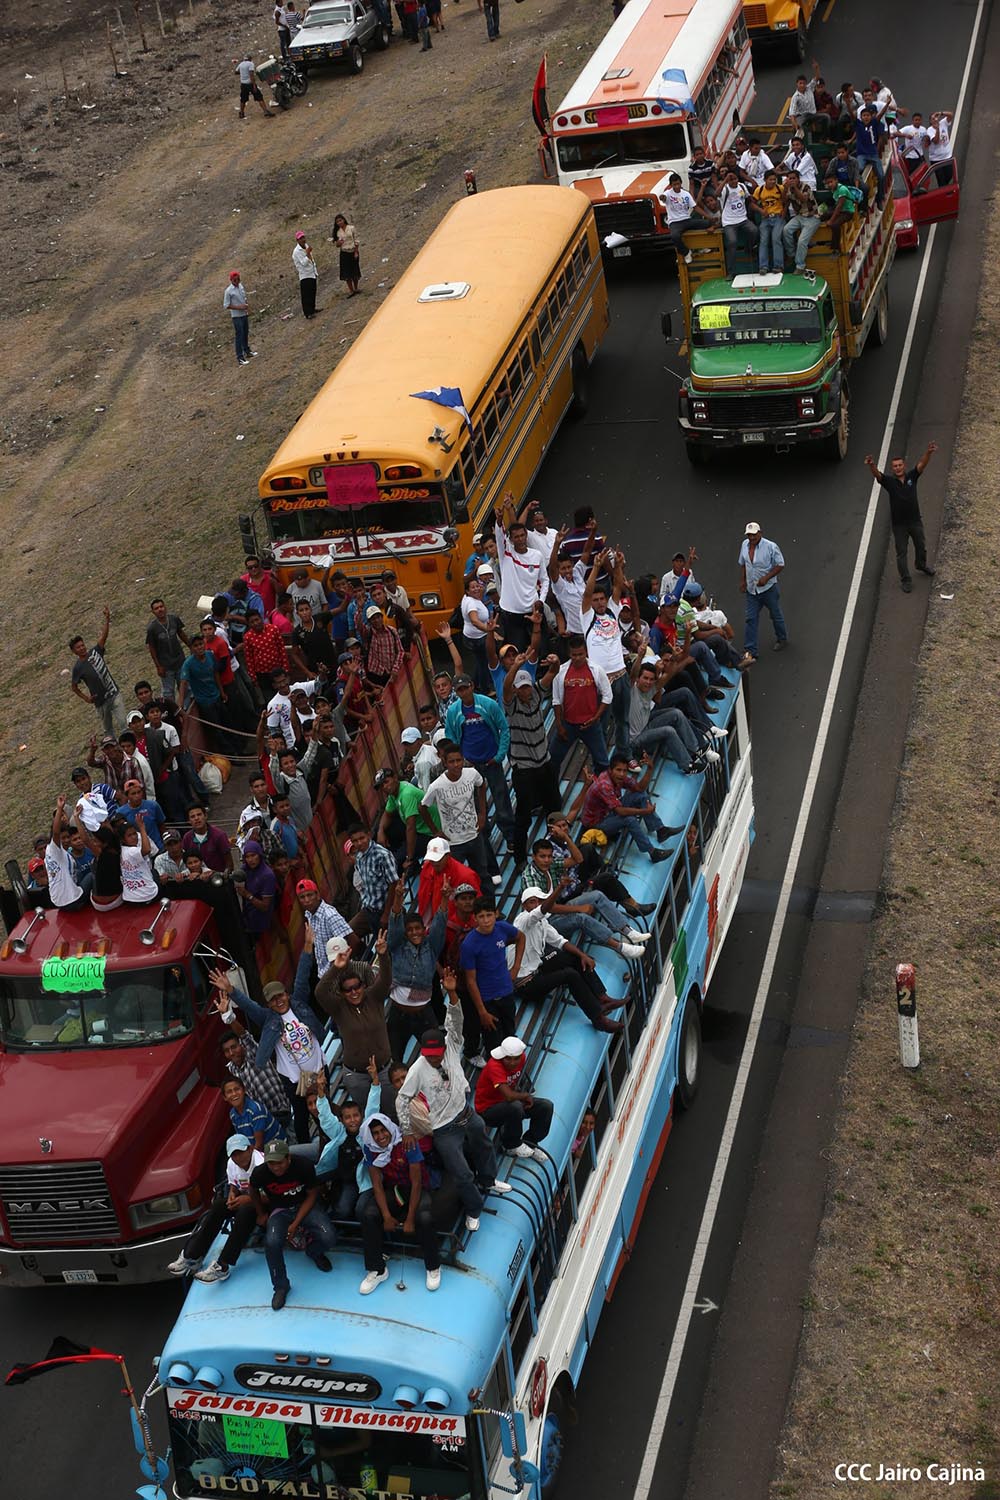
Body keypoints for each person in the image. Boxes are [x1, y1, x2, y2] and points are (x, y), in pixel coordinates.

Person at [396, 968, 512, 1232]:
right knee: (461, 1173)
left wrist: (451, 993)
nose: (434, 1058)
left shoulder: (452, 1045)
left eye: (437, 1054)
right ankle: (474, 1209)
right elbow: (402, 1100)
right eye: (429, 1055)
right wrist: (407, 1130)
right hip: (443, 1129)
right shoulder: (416, 1070)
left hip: (465, 1113)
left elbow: (455, 1021)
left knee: (484, 1145)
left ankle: (489, 1180)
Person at [211, 937, 326, 1146]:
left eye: (280, 996)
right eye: (273, 999)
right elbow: (249, 1006)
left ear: (287, 995)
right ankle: (308, 1153)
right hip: (294, 1081)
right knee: (301, 1118)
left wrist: (307, 947)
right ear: (269, 1004)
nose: (278, 1001)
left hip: (319, 1071)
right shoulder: (268, 1019)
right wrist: (230, 990)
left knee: (324, 1112)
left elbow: (301, 978)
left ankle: (331, 1143)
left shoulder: (299, 1004)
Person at [511, 890, 627, 1032]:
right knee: (570, 975)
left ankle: (602, 997)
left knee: (574, 956)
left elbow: (560, 941)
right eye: (532, 902)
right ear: (524, 906)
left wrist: (583, 955)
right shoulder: (523, 920)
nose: (537, 905)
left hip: (537, 968)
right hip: (527, 983)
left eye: (540, 901)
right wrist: (560, 887)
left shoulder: (542, 923)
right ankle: (598, 1019)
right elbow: (540, 911)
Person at [357, 1113, 442, 1294]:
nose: (380, 1136)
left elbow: (417, 1183)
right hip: (395, 1189)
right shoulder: (369, 1148)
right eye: (375, 1133)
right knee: (369, 1214)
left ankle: (433, 1266)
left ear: (389, 1129)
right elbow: (377, 1184)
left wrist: (410, 1219)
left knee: (424, 1218)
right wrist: (386, 1216)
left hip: (416, 1188)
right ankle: (377, 1269)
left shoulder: (407, 1143)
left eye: (383, 1131)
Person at [249, 1138, 336, 1310]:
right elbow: (252, 1189)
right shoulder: (260, 1172)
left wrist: (295, 1223)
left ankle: (313, 1251)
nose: (276, 1167)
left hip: (305, 1205)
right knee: (272, 1242)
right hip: (280, 1209)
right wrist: (260, 1213)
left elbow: (312, 1194)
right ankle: (280, 1286)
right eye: (271, 1163)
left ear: (288, 1158)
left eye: (279, 1162)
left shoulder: (303, 1165)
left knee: (329, 1236)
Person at [168, 1133, 264, 1282]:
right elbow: (233, 1184)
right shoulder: (232, 1163)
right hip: (245, 1198)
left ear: (250, 1149)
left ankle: (223, 1265)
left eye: (241, 1152)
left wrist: (247, 1199)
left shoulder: (262, 1164)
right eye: (234, 1154)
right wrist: (232, 1195)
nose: (238, 1158)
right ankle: (193, 1256)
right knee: (219, 1206)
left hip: (264, 1202)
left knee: (245, 1212)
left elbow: (272, 1194)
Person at [314, 933, 393, 1099]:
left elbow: (385, 979)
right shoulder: (339, 1007)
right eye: (348, 990)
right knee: (365, 1112)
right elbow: (320, 993)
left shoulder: (373, 995)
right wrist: (336, 968)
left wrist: (383, 955)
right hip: (357, 1076)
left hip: (384, 1071)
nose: (354, 992)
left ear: (364, 985)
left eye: (357, 987)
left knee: (392, 1109)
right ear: (341, 992)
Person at [443, 674, 515, 849]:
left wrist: (499, 756)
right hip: (470, 766)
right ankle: (484, 834)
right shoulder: (453, 711)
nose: (463, 692)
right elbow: (450, 737)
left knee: (501, 799)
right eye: (459, 690)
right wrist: (461, 761)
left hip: (492, 761)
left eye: (465, 688)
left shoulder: (488, 704)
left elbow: (504, 729)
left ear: (472, 686)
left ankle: (510, 836)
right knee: (474, 802)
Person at [503, 658, 562, 865]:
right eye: (521, 688)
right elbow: (506, 689)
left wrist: (554, 662)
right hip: (525, 768)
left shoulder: (537, 693)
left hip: (544, 762)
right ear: (516, 689)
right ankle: (520, 858)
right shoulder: (511, 706)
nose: (525, 691)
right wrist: (515, 667)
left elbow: (552, 673)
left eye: (527, 686)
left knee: (555, 808)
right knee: (523, 816)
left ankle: (557, 849)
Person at [387, 876, 448, 1063]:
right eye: (410, 929)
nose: (415, 932)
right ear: (405, 933)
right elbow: (394, 922)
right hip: (398, 1015)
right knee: (395, 1058)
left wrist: (444, 897)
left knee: (437, 1057)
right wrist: (398, 897)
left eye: (418, 928)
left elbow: (440, 923)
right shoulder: (397, 946)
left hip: (424, 1015)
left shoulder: (432, 946)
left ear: (424, 929)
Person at [864, 443, 938, 592]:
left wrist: (929, 452)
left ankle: (921, 565)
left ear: (904, 466)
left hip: (915, 521)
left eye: (900, 465)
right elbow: (878, 475)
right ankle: (906, 580)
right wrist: (871, 465)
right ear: (892, 468)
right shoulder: (889, 482)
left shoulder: (912, 476)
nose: (898, 468)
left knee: (921, 546)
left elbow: (922, 464)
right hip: (899, 526)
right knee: (901, 553)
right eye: (895, 466)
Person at [580, 548, 633, 756]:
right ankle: (600, 761)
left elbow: (618, 586)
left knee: (623, 720)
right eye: (596, 600)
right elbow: (587, 593)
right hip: (602, 679)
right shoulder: (586, 616)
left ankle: (625, 755)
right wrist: (595, 567)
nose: (600, 602)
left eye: (602, 599)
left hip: (621, 674)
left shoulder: (612, 609)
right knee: (601, 724)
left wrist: (618, 565)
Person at [580, 753, 675, 863]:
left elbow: (639, 788)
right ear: (610, 770)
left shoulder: (618, 777)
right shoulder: (604, 785)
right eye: (618, 770)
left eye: (624, 771)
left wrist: (650, 769)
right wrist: (644, 811)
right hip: (597, 823)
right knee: (630, 819)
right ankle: (652, 852)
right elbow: (620, 811)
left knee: (641, 795)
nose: (622, 774)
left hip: (609, 812)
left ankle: (660, 830)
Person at [422, 744, 494, 886]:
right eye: (451, 761)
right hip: (453, 843)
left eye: (459, 760)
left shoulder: (472, 773)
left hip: (474, 836)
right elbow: (422, 807)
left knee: (483, 875)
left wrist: (482, 814)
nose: (456, 765)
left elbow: (481, 785)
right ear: (445, 763)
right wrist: (435, 831)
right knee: (454, 879)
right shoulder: (437, 785)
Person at [474, 1035, 554, 1158]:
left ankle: (531, 1142)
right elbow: (509, 1096)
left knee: (546, 1106)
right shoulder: (494, 1066)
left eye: (516, 1059)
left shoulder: (522, 1058)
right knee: (515, 1106)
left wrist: (522, 1097)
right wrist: (525, 1096)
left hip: (506, 1104)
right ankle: (511, 1145)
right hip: (488, 1110)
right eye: (508, 1059)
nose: (512, 1063)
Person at [461, 896, 523, 1038]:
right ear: (475, 918)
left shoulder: (502, 928)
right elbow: (470, 981)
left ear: (496, 914)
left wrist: (516, 967)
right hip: (488, 1000)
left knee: (511, 1036)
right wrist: (482, 1011)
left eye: (489, 915)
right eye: (481, 916)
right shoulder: (469, 944)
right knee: (493, 1043)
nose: (486, 920)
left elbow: (521, 937)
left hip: (507, 993)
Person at [550, 634, 613, 772]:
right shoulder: (561, 671)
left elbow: (608, 696)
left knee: (602, 762)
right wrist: (559, 725)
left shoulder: (597, 670)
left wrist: (596, 717)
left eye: (580, 654)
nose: (577, 658)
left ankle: (600, 784)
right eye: (574, 655)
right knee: (552, 760)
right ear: (569, 654)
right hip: (568, 724)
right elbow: (556, 700)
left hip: (590, 725)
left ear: (586, 652)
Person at [494, 491, 544, 649]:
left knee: (538, 650)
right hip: (511, 615)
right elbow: (500, 535)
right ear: (511, 539)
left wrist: (541, 600)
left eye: (523, 535)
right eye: (516, 537)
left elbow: (545, 580)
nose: (520, 539)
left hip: (533, 612)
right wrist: (500, 519)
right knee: (517, 652)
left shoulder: (537, 555)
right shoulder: (506, 553)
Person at [221, 1029, 292, 1134]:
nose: (231, 1053)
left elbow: (245, 1036)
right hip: (264, 1119)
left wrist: (229, 1019)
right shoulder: (232, 1069)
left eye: (234, 1047)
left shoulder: (254, 1054)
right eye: (227, 1051)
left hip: (281, 1112)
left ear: (241, 1045)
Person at [69, 607, 126, 737]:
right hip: (100, 702)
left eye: (82, 645)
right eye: (78, 647)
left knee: (124, 723)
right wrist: (87, 698)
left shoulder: (95, 652)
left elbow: (103, 637)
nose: (82, 648)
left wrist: (107, 619)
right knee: (108, 730)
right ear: (74, 651)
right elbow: (74, 687)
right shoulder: (78, 668)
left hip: (113, 693)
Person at [738, 522, 788, 661]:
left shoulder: (771, 547)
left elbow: (780, 564)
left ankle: (782, 638)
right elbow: (743, 564)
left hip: (768, 589)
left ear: (760, 533)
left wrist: (766, 577)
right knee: (751, 619)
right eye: (749, 535)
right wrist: (743, 581)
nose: (751, 538)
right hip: (752, 590)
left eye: (754, 535)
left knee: (775, 614)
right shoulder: (744, 545)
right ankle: (751, 649)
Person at [295, 879, 353, 976]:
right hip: (325, 973)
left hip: (337, 972)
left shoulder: (329, 915)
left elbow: (351, 941)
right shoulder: (310, 915)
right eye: (302, 897)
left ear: (317, 895)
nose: (307, 900)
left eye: (310, 895)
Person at [348, 823, 398, 930]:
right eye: (355, 841)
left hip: (384, 909)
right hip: (369, 908)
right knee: (348, 932)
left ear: (369, 835)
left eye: (362, 838)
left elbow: (394, 884)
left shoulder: (383, 855)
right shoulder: (359, 857)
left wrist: (387, 914)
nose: (359, 843)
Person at [43, 796, 86, 909]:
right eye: (63, 838)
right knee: (92, 875)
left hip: (58, 902)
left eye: (68, 837)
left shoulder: (55, 854)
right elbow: (56, 832)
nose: (66, 840)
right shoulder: (53, 849)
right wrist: (59, 808)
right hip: (72, 901)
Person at [145, 599, 189, 700]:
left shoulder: (174, 619)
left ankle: (187, 708)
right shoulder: (152, 628)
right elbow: (152, 648)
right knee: (168, 692)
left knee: (185, 688)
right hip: (166, 666)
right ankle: (172, 709)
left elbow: (181, 633)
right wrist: (158, 666)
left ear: (165, 607)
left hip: (180, 661)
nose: (160, 610)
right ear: (153, 612)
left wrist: (190, 646)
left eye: (161, 606)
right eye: (156, 608)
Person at [660, 173, 712, 256]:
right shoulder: (668, 193)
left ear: (681, 183)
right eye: (674, 185)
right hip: (675, 222)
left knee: (707, 223)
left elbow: (695, 207)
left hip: (687, 220)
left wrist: (708, 217)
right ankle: (686, 252)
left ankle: (701, 247)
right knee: (675, 236)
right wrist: (662, 197)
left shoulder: (686, 194)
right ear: (671, 185)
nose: (677, 186)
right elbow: (664, 197)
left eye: (678, 184)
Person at [719, 169, 758, 273]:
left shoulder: (742, 186)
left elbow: (748, 197)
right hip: (729, 222)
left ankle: (748, 249)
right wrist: (725, 180)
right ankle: (731, 271)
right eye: (731, 180)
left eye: (735, 179)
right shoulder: (724, 189)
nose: (734, 181)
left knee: (754, 230)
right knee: (732, 242)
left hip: (742, 219)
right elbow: (716, 194)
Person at [781, 171, 821, 273]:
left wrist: (794, 188)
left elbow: (803, 199)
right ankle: (791, 254)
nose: (792, 180)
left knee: (802, 241)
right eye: (790, 178)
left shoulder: (805, 187)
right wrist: (785, 188)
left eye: (794, 178)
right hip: (800, 216)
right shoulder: (788, 188)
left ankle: (800, 266)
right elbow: (784, 201)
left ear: (798, 179)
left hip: (812, 217)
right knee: (786, 230)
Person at [181, 804, 232, 872]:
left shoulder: (219, 835)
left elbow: (229, 863)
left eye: (199, 814)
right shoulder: (187, 838)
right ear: (189, 821)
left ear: (205, 816)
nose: (196, 818)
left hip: (218, 876)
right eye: (192, 816)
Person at [753, 169, 785, 273]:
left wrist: (784, 211)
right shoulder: (759, 190)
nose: (773, 181)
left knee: (776, 239)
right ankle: (763, 267)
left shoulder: (780, 188)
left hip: (778, 217)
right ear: (765, 180)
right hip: (766, 218)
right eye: (770, 179)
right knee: (763, 240)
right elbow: (752, 204)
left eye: (774, 179)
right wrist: (761, 211)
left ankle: (778, 266)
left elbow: (786, 200)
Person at [223, 270, 253, 365]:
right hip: (236, 316)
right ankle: (240, 357)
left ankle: (247, 351)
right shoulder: (228, 291)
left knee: (245, 332)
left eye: (238, 279)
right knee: (239, 335)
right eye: (235, 280)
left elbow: (244, 297)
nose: (237, 282)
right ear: (231, 280)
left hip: (244, 313)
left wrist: (246, 307)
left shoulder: (240, 286)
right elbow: (226, 305)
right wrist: (239, 307)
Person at [235, 55, 272, 121]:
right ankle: (265, 111)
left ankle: (241, 113)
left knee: (243, 99)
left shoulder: (241, 64)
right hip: (250, 84)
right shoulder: (250, 64)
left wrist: (243, 73)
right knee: (259, 97)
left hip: (243, 84)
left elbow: (236, 72)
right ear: (250, 59)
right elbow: (251, 75)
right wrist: (254, 85)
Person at [332, 213, 361, 295]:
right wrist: (338, 243)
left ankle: (356, 288)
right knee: (347, 273)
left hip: (353, 251)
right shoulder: (338, 232)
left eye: (340, 220)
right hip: (344, 253)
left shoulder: (351, 228)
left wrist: (356, 251)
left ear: (344, 220)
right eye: (337, 222)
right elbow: (337, 245)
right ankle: (351, 290)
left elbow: (356, 240)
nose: (339, 223)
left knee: (355, 270)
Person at [292, 231, 318, 318]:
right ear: (297, 240)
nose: (303, 240)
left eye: (303, 237)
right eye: (300, 238)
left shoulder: (306, 246)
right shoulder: (296, 251)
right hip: (305, 275)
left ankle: (312, 309)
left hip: (311, 272)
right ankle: (308, 313)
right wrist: (307, 253)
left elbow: (311, 258)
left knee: (312, 292)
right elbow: (303, 263)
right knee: (306, 295)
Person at [927, 110, 955, 186]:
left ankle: (945, 188)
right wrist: (937, 129)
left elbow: (951, 115)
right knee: (941, 180)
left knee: (949, 175)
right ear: (930, 121)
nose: (935, 120)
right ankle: (944, 190)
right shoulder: (929, 130)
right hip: (936, 160)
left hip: (947, 156)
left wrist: (941, 113)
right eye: (933, 119)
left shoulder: (943, 123)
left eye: (936, 117)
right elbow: (936, 141)